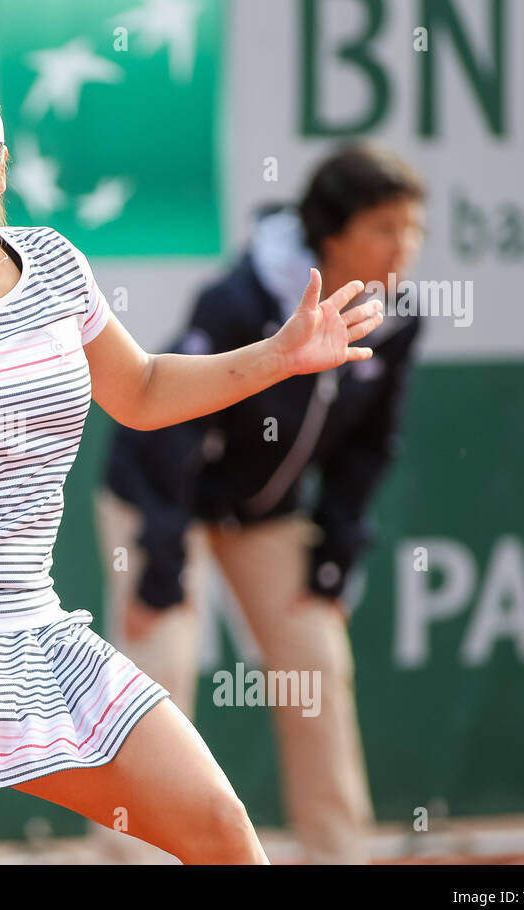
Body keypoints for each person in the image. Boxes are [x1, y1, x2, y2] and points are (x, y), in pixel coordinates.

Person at [0, 61, 385, 865]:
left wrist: (278, 356)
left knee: (223, 834)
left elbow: (143, 390)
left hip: (30, 631)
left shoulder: (54, 264)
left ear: (1, 167)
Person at [95, 144, 426, 864]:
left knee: (316, 664)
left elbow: (369, 448)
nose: (403, 246)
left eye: (411, 227)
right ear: (332, 236)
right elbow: (167, 436)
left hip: (265, 514)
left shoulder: (397, 316)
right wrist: (160, 565)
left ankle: (338, 853)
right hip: (162, 499)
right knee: (159, 667)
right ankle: (135, 857)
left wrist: (334, 556)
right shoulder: (237, 304)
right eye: (383, 227)